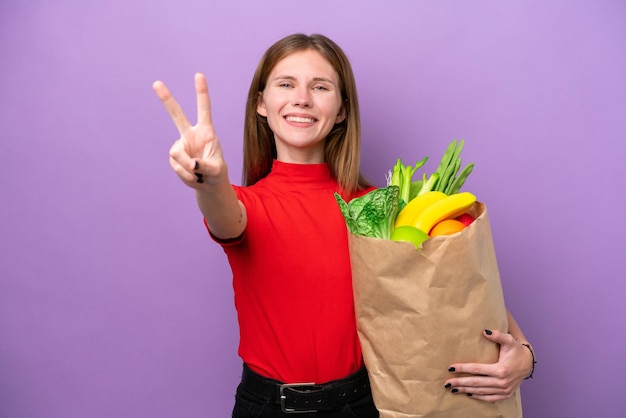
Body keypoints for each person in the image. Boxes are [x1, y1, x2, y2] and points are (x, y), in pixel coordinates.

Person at [153, 33, 534, 417]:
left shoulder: (379, 210)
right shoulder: (245, 205)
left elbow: (458, 288)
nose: (302, 98)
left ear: (341, 111)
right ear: (261, 104)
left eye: (320, 87)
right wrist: (212, 181)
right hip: (267, 407)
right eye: (286, 84)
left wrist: (524, 354)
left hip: (363, 404)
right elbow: (223, 215)